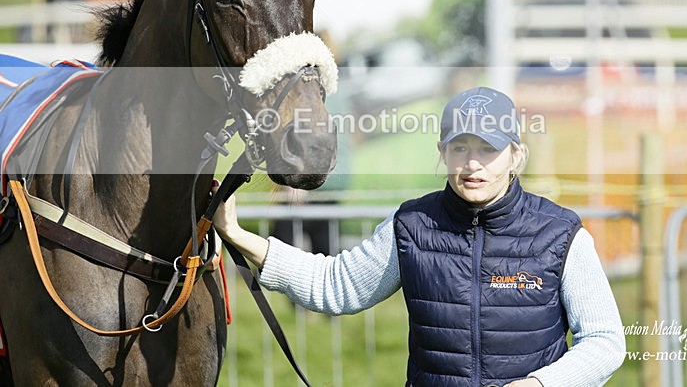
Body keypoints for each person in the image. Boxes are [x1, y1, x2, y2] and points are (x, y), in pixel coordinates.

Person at [213, 87, 626, 386]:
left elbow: (605, 342)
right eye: (460, 147)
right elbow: (335, 286)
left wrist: (539, 386)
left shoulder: (561, 233)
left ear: (516, 155)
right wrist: (235, 233)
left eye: (488, 148)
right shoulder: (411, 225)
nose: (472, 163)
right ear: (443, 152)